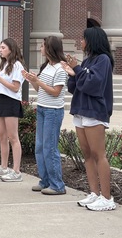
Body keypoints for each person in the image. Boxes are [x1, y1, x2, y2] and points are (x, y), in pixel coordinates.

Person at [61, 27, 116, 211]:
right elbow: (75, 86)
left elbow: (93, 84)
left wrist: (76, 68)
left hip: (95, 111)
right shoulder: (87, 60)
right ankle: (94, 193)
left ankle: (107, 198)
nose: (81, 42)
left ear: (92, 40)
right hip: (80, 110)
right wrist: (72, 73)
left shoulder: (103, 60)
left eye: (83, 39)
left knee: (98, 154)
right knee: (87, 154)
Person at [24, 36, 68, 195]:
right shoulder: (46, 66)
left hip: (53, 111)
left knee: (50, 147)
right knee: (40, 146)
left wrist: (39, 82)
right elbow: (40, 90)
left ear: (50, 48)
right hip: (42, 108)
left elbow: (56, 92)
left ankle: (57, 185)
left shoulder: (60, 68)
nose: (41, 48)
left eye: (43, 46)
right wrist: (32, 80)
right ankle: (45, 181)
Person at [0, 38, 26, 182]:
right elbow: (2, 85)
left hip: (11, 102)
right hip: (2, 100)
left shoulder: (17, 65)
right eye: (0, 48)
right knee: (2, 136)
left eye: (3, 47)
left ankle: (16, 171)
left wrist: (0, 79)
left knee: (13, 137)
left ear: (11, 49)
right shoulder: (5, 65)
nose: (0, 50)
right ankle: (3, 166)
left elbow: (15, 88)